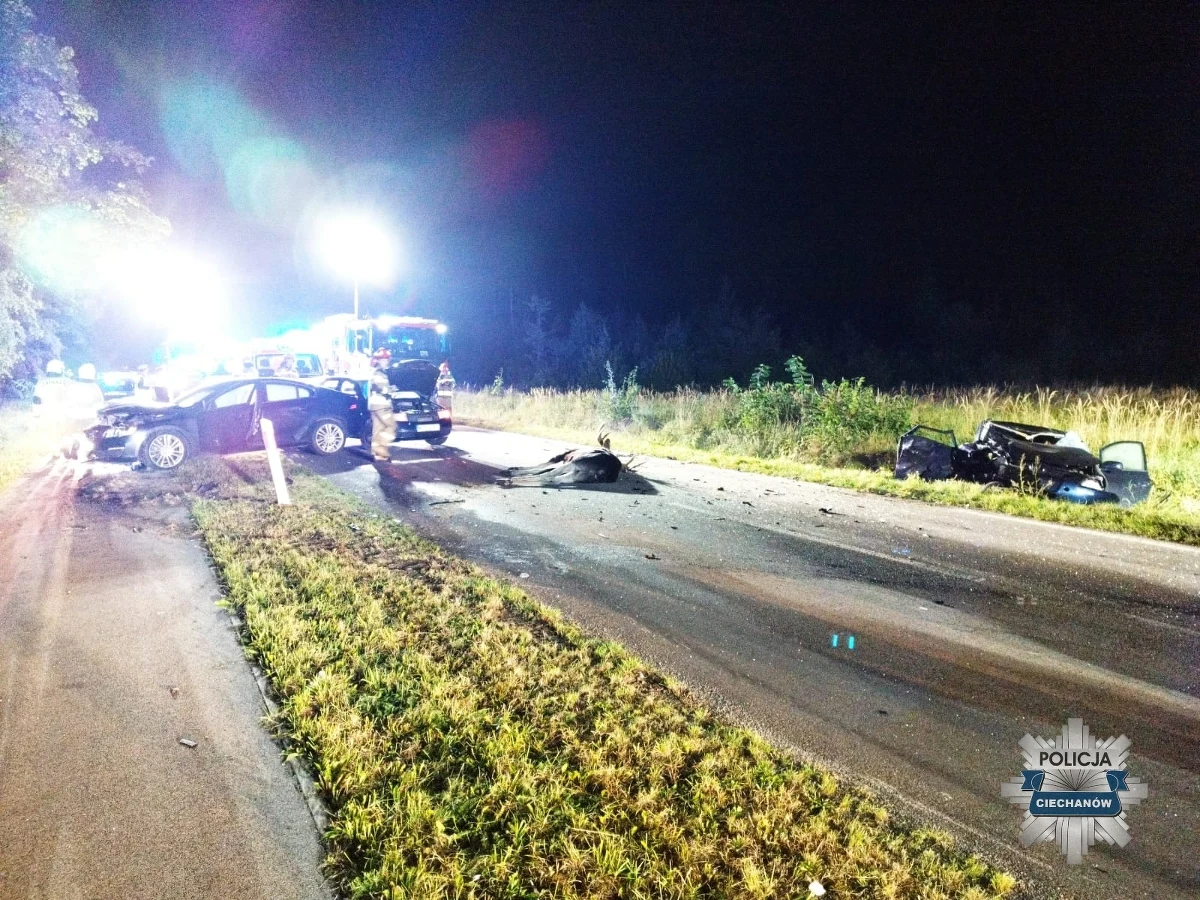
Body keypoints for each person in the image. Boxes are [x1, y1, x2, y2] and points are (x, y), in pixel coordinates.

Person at [368, 370, 395, 462]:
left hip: (374, 405)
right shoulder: (379, 375)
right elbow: (380, 388)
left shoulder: (374, 373)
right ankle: (381, 450)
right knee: (391, 426)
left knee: (377, 429)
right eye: (385, 362)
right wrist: (391, 389)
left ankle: (377, 454)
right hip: (381, 404)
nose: (387, 363)